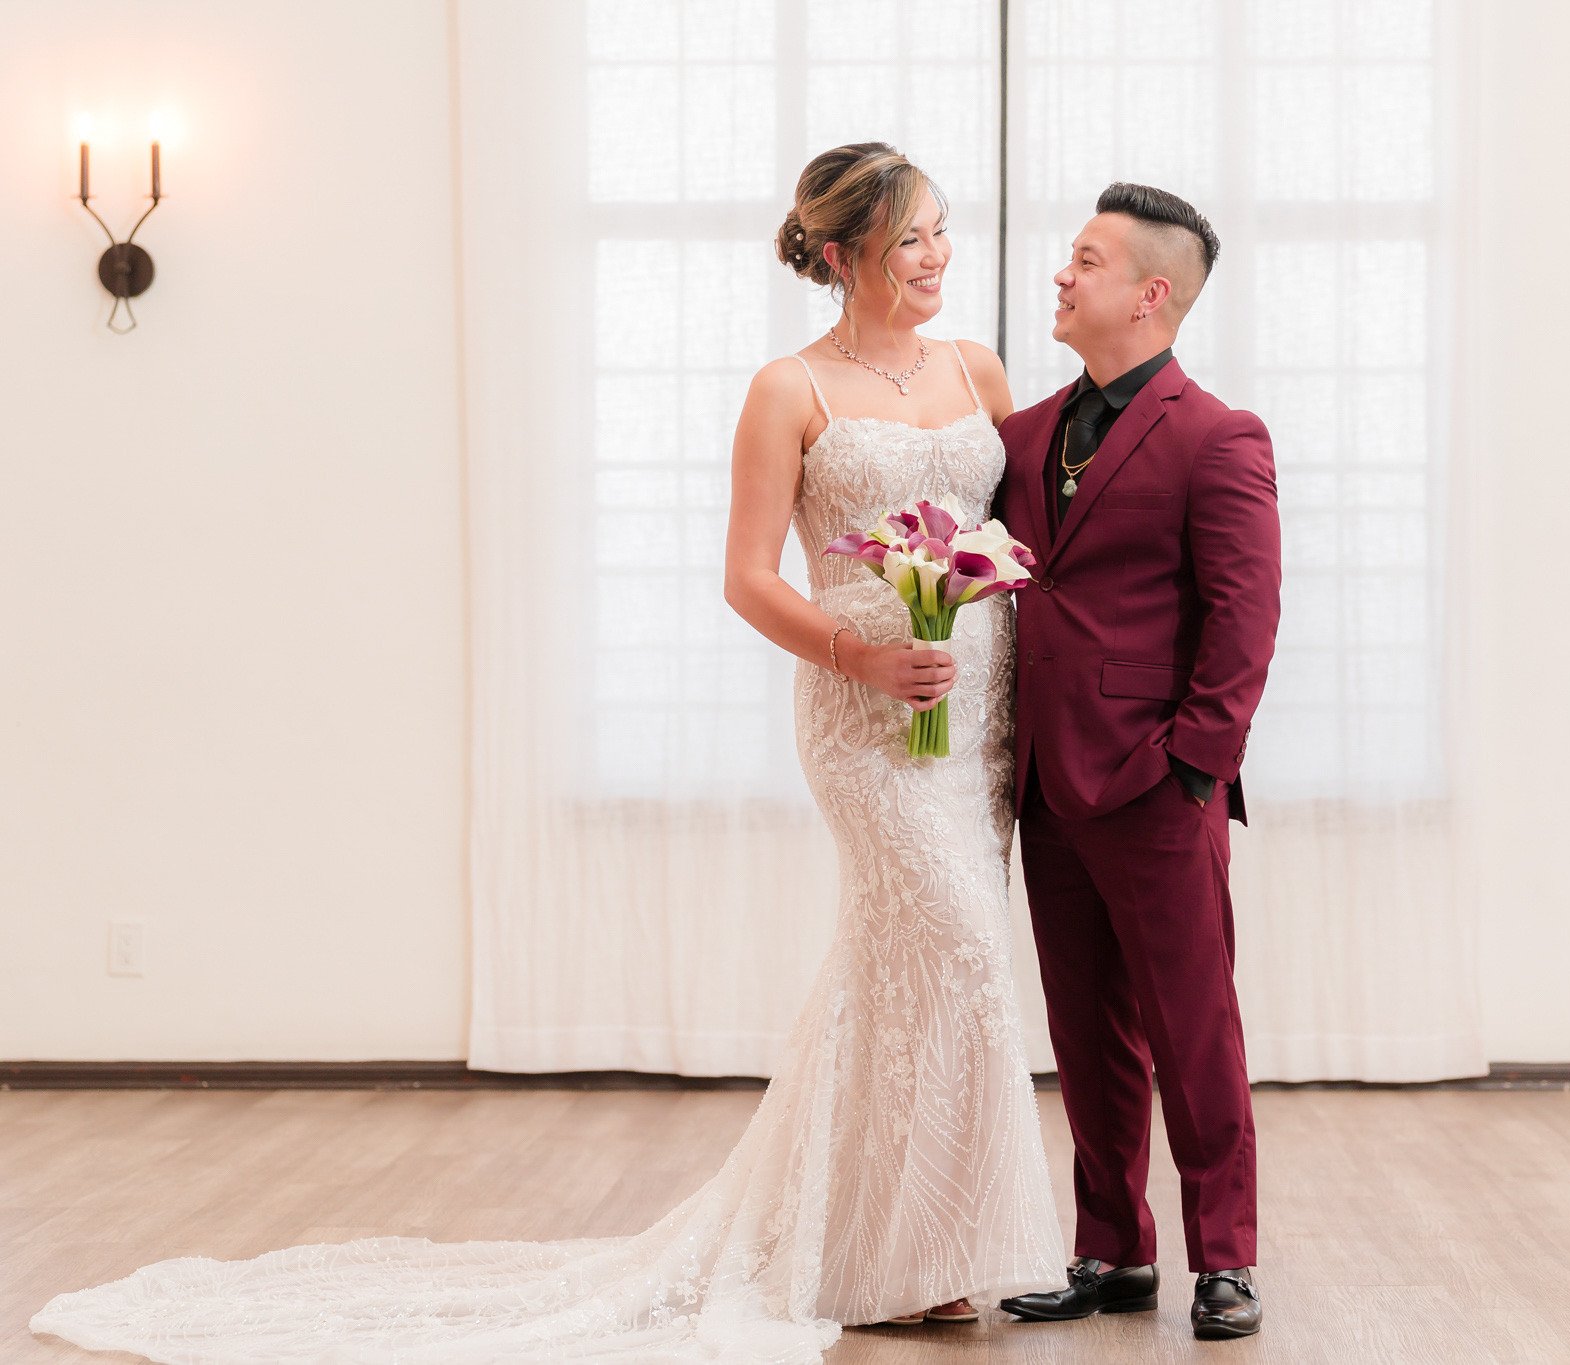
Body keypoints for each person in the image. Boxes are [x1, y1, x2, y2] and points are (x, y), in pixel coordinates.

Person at [30, 141, 1065, 1363]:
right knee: (944, 940)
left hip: (972, 714)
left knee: (924, 961)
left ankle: (899, 1245)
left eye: (943, 230)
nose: (937, 255)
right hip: (863, 719)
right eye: (909, 239)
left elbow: (1020, 533)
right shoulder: (789, 390)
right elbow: (744, 579)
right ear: (839, 255)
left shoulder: (979, 368)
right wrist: (862, 659)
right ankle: (897, 1252)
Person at [991, 183, 1282, 1341]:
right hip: (1045, 787)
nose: (1061, 276)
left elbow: (1241, 617)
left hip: (1159, 788)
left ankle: (1225, 1257)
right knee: (1083, 1033)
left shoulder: (1218, 437)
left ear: (1149, 293)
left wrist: (1193, 768)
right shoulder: (1019, 439)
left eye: (1085, 260)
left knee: (1191, 1025)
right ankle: (1109, 1250)